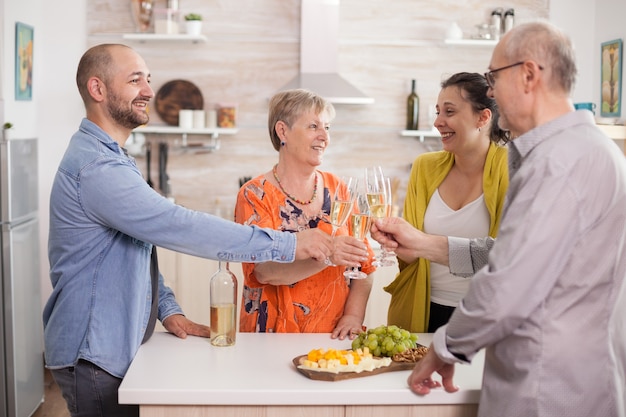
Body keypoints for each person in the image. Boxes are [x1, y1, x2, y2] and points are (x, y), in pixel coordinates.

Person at [44, 44, 334, 417]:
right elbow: (177, 225)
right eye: (136, 80)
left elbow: (135, 248)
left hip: (104, 349)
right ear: (98, 90)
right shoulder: (97, 167)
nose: (149, 90)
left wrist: (166, 309)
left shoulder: (112, 157)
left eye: (148, 79)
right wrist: (289, 243)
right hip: (94, 352)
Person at [380, 21, 626, 417]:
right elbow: (506, 257)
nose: (490, 91)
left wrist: (445, 348)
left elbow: (508, 282)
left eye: (495, 77)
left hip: (547, 390)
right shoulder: (582, 151)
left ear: (529, 75)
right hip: (563, 380)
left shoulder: (558, 163)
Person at [234, 89, 375, 339]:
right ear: (283, 131)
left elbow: (365, 265)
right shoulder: (254, 194)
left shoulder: (339, 189)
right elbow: (264, 271)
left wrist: (353, 316)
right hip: (269, 336)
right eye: (313, 126)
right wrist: (328, 256)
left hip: (332, 337)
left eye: (327, 128)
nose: (324, 137)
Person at [383, 72, 509, 334]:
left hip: (483, 319)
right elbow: (413, 254)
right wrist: (398, 244)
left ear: (483, 117)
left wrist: (419, 243)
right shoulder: (424, 167)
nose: (438, 122)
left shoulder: (512, 170)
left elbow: (508, 256)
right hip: (424, 310)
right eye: (438, 112)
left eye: (449, 112)